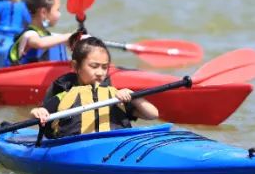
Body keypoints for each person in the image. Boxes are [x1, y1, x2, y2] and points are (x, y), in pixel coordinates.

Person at [29, 37, 159, 138]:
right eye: (94, 66)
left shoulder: (114, 97)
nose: (100, 72)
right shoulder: (64, 96)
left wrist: (133, 96)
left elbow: (152, 114)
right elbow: (38, 116)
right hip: (76, 148)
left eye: (104, 67)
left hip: (114, 147)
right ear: (75, 66)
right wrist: (37, 112)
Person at [8, 0, 75, 65]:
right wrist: (67, 36)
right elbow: (39, 43)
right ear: (43, 12)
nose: (59, 14)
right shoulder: (30, 34)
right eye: (57, 10)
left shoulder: (44, 34)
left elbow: (53, 39)